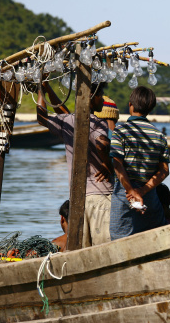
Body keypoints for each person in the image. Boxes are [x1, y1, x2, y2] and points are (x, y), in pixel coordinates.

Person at [37, 81, 114, 247]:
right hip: (102, 194)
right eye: (101, 96)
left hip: (79, 198)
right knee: (103, 248)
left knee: (83, 248)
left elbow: (41, 117)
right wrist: (107, 163)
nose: (102, 100)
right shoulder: (98, 122)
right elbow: (102, 143)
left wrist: (43, 90)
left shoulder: (69, 121)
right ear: (91, 98)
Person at [109, 86, 169, 240]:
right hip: (149, 197)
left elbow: (117, 164)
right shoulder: (159, 135)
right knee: (153, 240)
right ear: (151, 108)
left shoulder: (120, 131)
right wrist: (142, 191)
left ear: (130, 105)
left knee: (119, 241)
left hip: (124, 196)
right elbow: (164, 171)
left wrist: (131, 191)